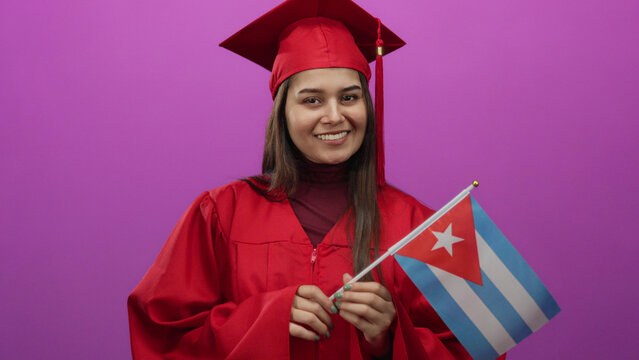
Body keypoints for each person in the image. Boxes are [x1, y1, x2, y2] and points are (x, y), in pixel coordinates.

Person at [127, 0, 507, 359]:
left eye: (349, 97)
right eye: (311, 100)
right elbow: (163, 340)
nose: (334, 116)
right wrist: (268, 317)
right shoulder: (219, 214)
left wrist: (391, 337)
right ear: (283, 112)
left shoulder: (421, 227)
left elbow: (482, 349)